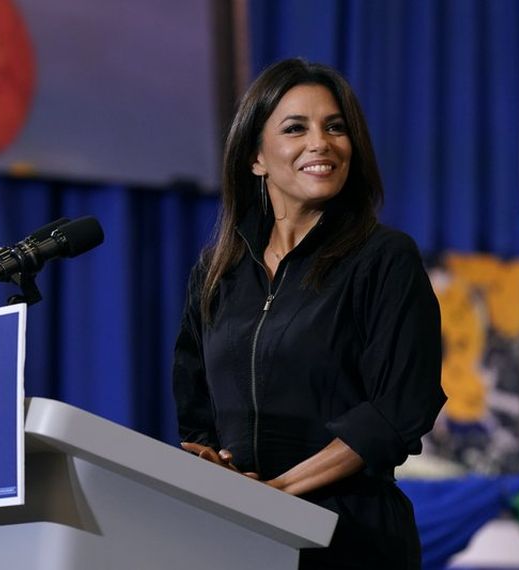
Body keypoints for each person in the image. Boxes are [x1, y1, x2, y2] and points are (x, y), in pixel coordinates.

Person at [172, 58, 445, 569]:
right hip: (236, 533)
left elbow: (398, 409)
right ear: (255, 156)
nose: (320, 142)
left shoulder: (384, 258)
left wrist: (278, 490)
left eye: (335, 127)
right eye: (295, 128)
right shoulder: (216, 272)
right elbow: (195, 409)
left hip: (351, 536)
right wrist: (218, 469)